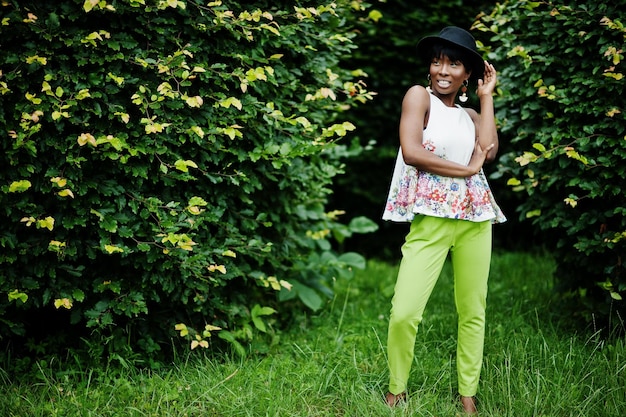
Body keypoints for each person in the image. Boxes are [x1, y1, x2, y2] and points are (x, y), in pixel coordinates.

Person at [381, 26, 506, 415]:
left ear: (468, 73)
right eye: (438, 61)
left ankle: (467, 394)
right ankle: (396, 389)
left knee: (472, 309)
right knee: (404, 311)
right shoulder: (420, 98)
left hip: (474, 218)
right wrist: (463, 171)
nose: (443, 70)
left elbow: (488, 152)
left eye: (454, 63)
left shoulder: (470, 113)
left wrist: (486, 99)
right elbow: (412, 151)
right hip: (431, 219)